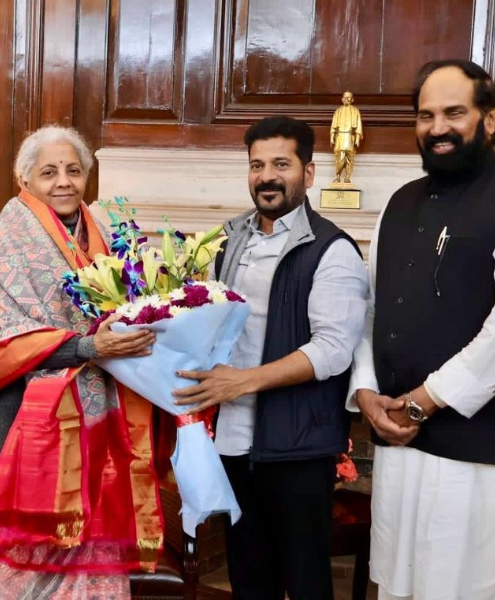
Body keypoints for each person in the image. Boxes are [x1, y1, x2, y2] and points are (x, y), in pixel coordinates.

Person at [348, 59, 495, 600]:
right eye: (425, 115)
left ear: (489, 119)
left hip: (480, 462)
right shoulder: (398, 204)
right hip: (402, 454)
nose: (437, 128)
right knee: (400, 587)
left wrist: (425, 401)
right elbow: (372, 310)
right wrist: (366, 392)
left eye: (454, 112)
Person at [174, 115, 370, 600]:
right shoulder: (227, 239)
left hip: (299, 447)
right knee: (249, 579)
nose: (267, 176)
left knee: (305, 583)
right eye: (257, 164)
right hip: (235, 444)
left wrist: (240, 382)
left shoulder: (333, 250)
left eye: (281, 164)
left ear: (308, 172)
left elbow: (332, 351)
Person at [0, 125, 160, 599]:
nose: (63, 182)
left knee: (91, 549)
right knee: (23, 560)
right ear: (25, 179)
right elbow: (4, 342)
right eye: (49, 171)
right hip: (20, 420)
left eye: (73, 171)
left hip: (97, 422)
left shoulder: (107, 236)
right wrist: (91, 348)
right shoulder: (4, 244)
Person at [330, 91, 363, 184]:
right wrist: (332, 136)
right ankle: (338, 175)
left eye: (348, 97)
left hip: (349, 137)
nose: (346, 99)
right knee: (339, 158)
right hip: (340, 137)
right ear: (342, 99)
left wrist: (357, 138)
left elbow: (358, 126)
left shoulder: (355, 111)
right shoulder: (338, 111)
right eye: (345, 97)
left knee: (350, 158)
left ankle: (348, 176)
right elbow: (333, 125)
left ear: (352, 99)